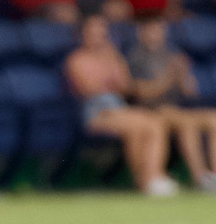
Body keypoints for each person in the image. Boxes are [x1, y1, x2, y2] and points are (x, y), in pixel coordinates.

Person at [64, 16, 176, 196]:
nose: (97, 36)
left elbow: (125, 86)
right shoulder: (76, 59)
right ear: (82, 35)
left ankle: (154, 176)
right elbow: (89, 89)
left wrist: (112, 68)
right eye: (92, 33)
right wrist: (109, 81)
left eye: (101, 32)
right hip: (97, 112)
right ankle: (145, 180)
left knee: (155, 123)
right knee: (137, 126)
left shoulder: (112, 55)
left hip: (118, 108)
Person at [127, 17, 216, 193]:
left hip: (177, 108)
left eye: (159, 29)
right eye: (151, 30)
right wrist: (169, 77)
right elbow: (141, 93)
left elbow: (190, 92)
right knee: (187, 123)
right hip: (152, 110)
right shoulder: (135, 58)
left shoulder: (172, 54)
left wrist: (185, 76)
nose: (156, 34)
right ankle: (201, 178)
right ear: (141, 33)